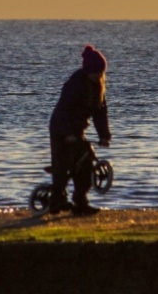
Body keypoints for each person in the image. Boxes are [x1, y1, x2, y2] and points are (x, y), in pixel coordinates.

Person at [43, 45, 111, 216]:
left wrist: (104, 135)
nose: (99, 76)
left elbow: (100, 113)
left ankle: (81, 201)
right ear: (89, 71)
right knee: (63, 165)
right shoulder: (74, 84)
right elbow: (63, 111)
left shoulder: (98, 88)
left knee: (86, 165)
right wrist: (68, 134)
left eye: (101, 72)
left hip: (78, 131)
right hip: (61, 129)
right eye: (97, 72)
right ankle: (56, 200)